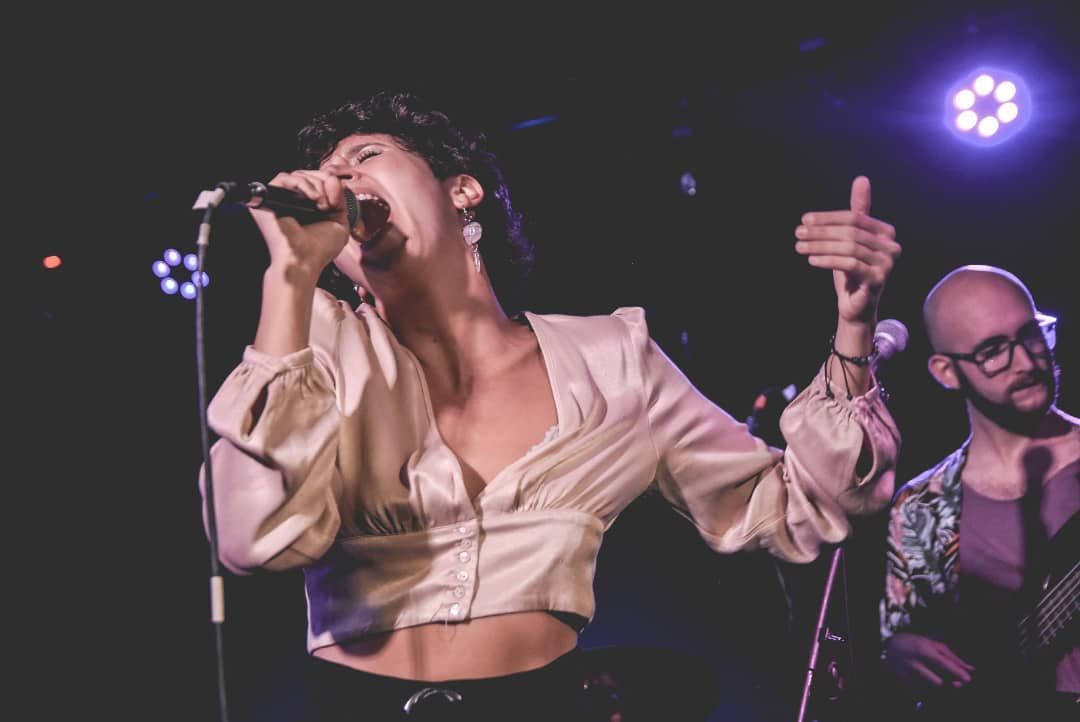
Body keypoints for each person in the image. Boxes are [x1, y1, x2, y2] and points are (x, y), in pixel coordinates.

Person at [199, 90, 901, 721]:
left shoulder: (612, 360)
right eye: (328, 171)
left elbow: (794, 508)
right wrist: (290, 276)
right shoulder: (313, 352)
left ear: (462, 189)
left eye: (366, 156)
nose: (340, 180)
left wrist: (854, 328)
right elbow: (249, 538)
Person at [880, 265, 1079, 721]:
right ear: (946, 371)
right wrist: (900, 650)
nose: (1026, 362)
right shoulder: (922, 505)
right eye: (993, 351)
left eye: (1031, 335)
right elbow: (902, 635)